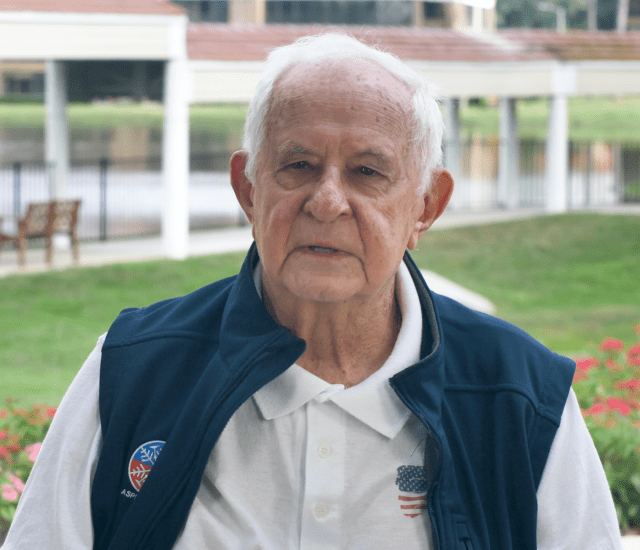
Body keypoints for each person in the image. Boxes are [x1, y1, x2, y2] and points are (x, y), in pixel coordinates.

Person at [4, 33, 622, 550]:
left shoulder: (522, 396)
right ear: (248, 190)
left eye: (367, 172)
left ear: (425, 206)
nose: (326, 201)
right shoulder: (134, 368)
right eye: (297, 165)